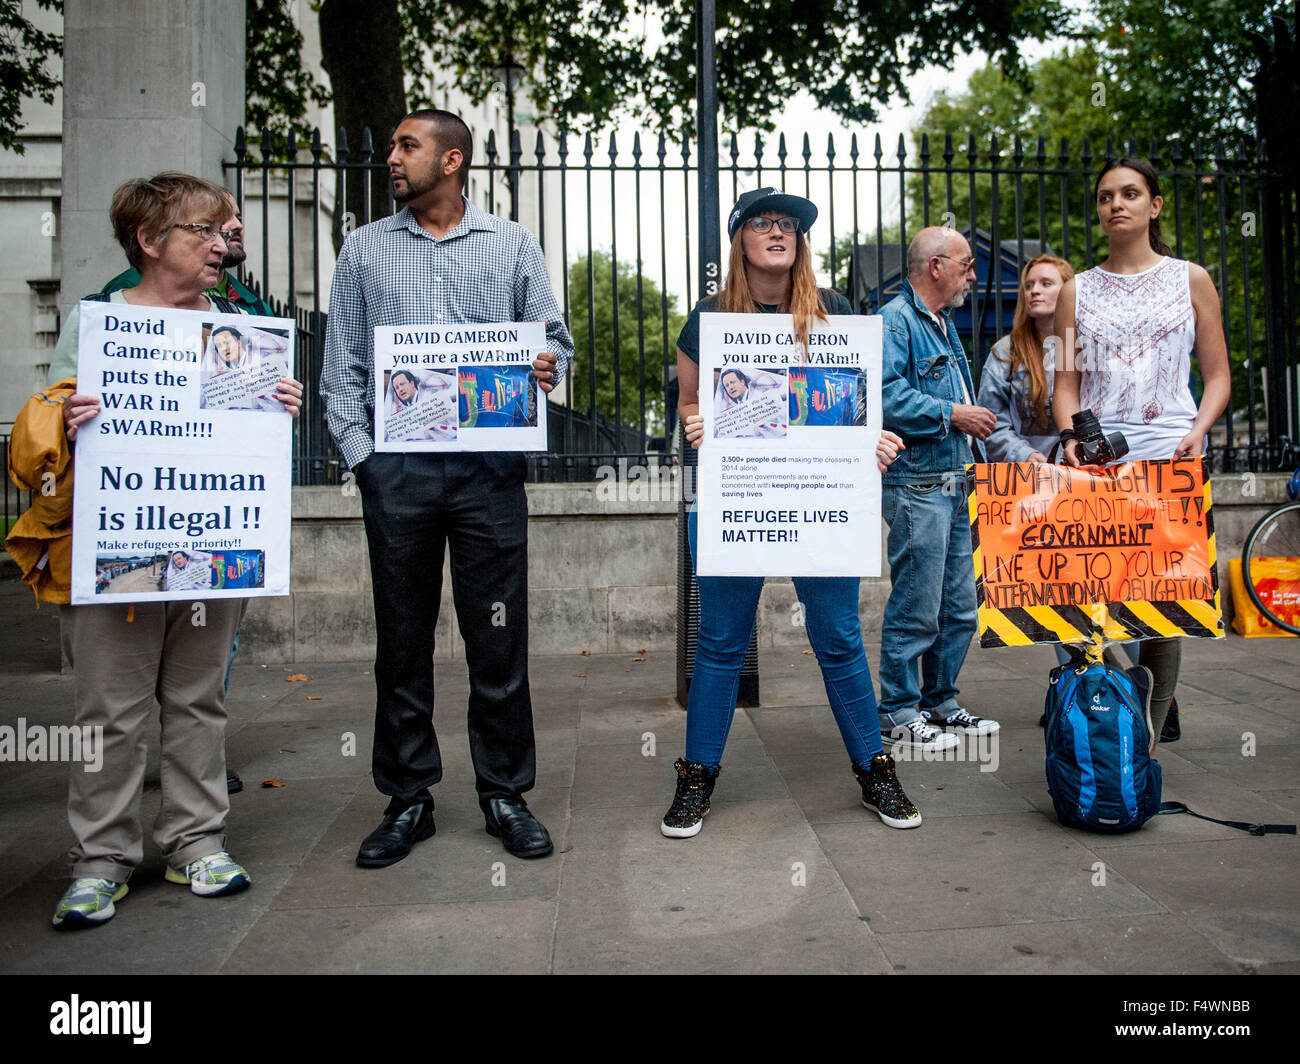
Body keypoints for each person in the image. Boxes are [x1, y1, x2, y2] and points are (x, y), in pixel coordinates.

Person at [44, 172, 304, 929]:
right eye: (207, 231)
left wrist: (278, 406)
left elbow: (236, 445)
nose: (225, 245)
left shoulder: (239, 324)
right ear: (150, 240)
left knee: (198, 699)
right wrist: (66, 414)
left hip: (208, 550)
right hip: (115, 548)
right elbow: (46, 433)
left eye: (228, 231)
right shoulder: (97, 326)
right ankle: (102, 859)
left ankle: (196, 840)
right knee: (109, 711)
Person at [322, 108, 573, 867]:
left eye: (409, 146)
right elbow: (341, 378)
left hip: (488, 474)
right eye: (393, 144)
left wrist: (544, 366)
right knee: (401, 641)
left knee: (497, 636)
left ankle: (504, 791)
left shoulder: (512, 242)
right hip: (398, 476)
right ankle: (408, 799)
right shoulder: (363, 249)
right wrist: (370, 464)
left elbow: (553, 339)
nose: (393, 159)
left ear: (453, 160)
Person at [662, 186, 920, 839]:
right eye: (763, 224)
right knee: (719, 643)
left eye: (789, 226)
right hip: (734, 498)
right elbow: (690, 401)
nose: (778, 233)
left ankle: (876, 771)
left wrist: (878, 440)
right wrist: (694, 423)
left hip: (818, 499)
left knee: (837, 637)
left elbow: (856, 407)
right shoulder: (709, 318)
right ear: (741, 240)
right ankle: (696, 778)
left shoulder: (834, 312)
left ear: (800, 243)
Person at [1053, 157, 1230, 752]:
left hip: (1171, 454)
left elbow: (1218, 375)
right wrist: (1073, 438)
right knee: (1089, 594)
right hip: (1101, 461)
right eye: (1105, 197)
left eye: (1130, 194)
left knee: (1166, 599)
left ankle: (1144, 750)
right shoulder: (1076, 289)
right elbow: (1067, 385)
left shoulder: (1191, 278)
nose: (1116, 205)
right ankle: (1110, 723)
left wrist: (1199, 429)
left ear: (1155, 205)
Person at [877, 227, 1000, 752]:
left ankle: (940, 702)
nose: (973, 275)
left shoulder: (940, 323)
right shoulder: (895, 321)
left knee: (959, 608)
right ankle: (899, 712)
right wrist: (953, 413)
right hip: (917, 486)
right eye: (967, 264)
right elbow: (881, 395)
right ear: (937, 266)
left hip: (953, 484)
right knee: (916, 605)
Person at [979, 254, 1074, 464]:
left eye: (1046, 284)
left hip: (1080, 474)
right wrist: (1024, 455)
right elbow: (989, 423)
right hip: (1024, 477)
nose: (1035, 291)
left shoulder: (1085, 348)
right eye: (1029, 285)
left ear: (1069, 291)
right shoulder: (1005, 352)